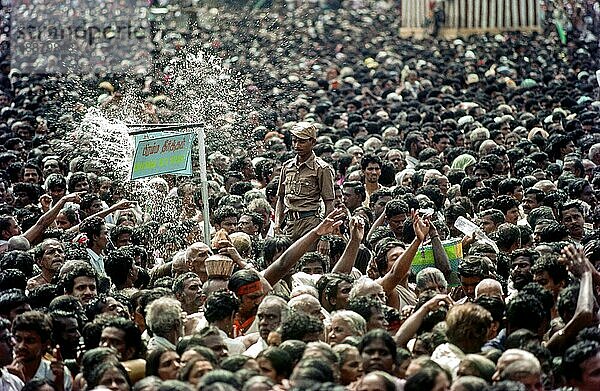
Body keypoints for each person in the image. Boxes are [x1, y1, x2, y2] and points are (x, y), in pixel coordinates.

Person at [274, 122, 335, 241]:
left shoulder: (321, 168)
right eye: (294, 141)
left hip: (310, 224)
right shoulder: (287, 167)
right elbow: (281, 199)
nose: (297, 145)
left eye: (302, 141)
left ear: (313, 142)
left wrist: (325, 237)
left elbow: (329, 203)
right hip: (289, 224)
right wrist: (277, 225)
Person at [12, 311, 73, 391]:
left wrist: (59, 385)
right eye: (18, 339)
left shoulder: (56, 373)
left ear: (45, 344)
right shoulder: (6, 371)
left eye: (30, 341)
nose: (21, 346)